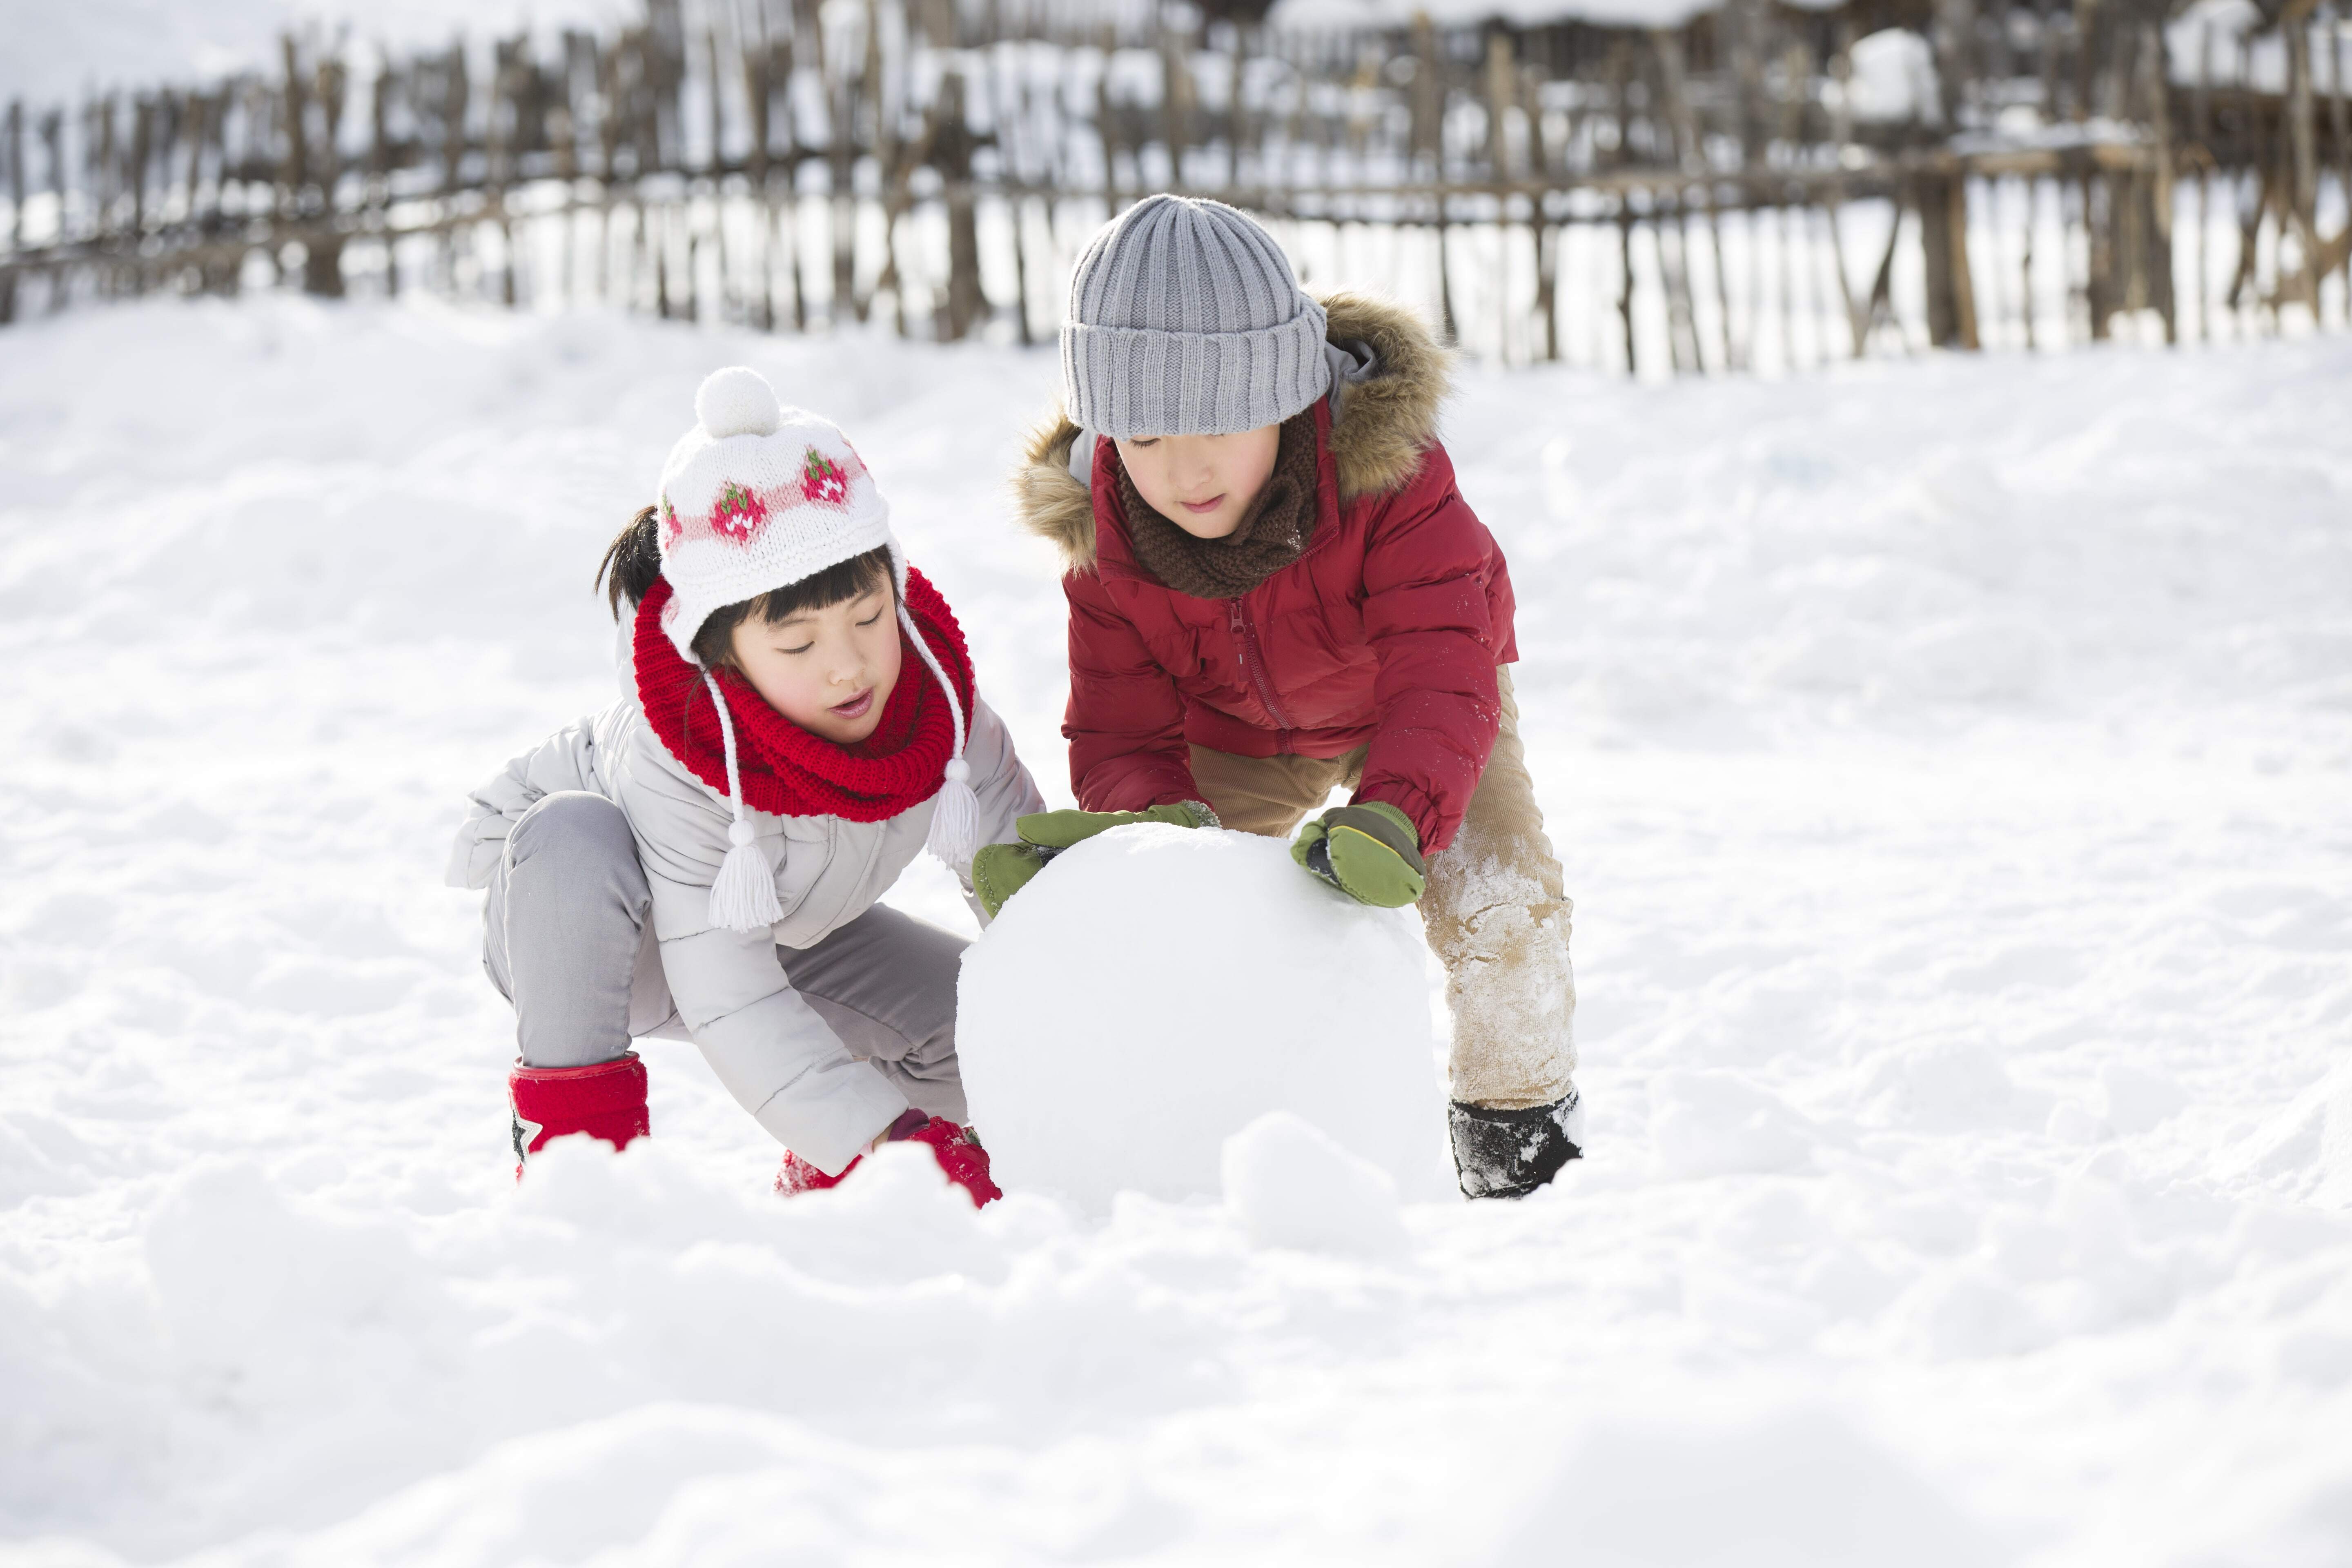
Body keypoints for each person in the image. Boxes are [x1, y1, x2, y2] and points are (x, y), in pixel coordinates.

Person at [982, 194, 1581, 1199]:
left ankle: (1515, 1155)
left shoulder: (1390, 477)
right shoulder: (1107, 535)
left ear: (1288, 392)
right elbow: (1122, 724)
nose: (1185, 468)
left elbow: (1442, 662)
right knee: (1177, 916)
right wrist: (1146, 841)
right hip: (1240, 735)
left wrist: (1400, 813)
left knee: (1505, 903)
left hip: (1423, 707)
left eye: (1219, 421)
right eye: (1142, 434)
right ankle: (1208, 1142)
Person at [447, 367, 1042, 1204]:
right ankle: (579, 1170)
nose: (847, 666)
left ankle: (829, 1188)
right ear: (721, 654)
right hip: (600, 934)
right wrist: (879, 1141)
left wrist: (1089, 1014)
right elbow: (734, 1002)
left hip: (790, 923)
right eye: (797, 647)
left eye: (869, 618)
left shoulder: (940, 712)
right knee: (573, 834)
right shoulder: (677, 752)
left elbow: (1027, 895)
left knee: (980, 1034)